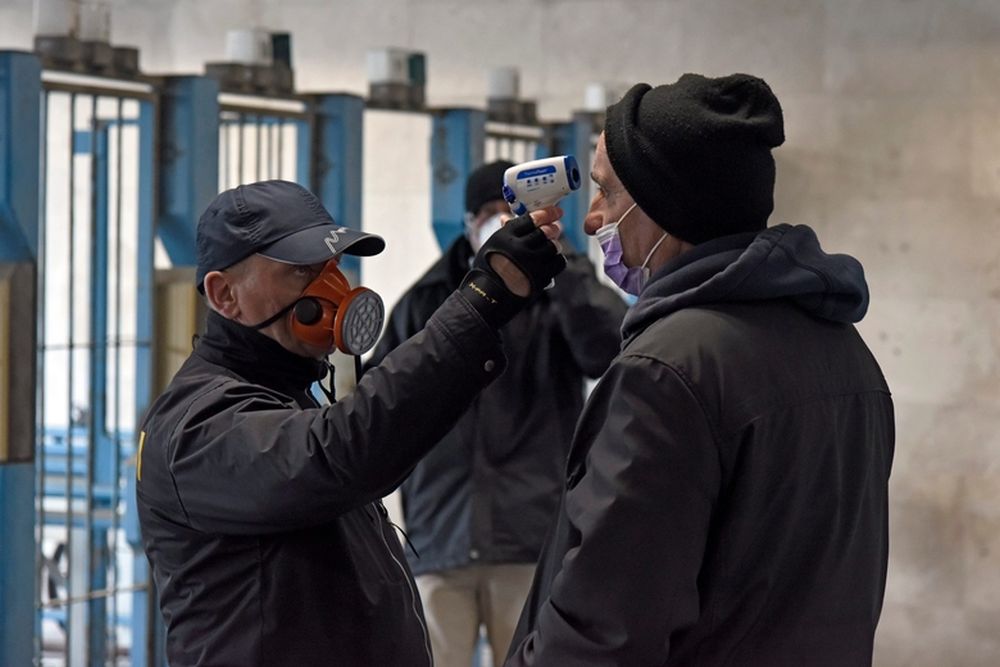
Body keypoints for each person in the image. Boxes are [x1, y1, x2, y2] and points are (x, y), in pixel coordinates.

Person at [505, 73, 895, 666]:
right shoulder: (846, 350)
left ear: (668, 207)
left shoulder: (665, 372)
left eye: (607, 192)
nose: (591, 219)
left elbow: (603, 631)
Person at [134, 178, 566, 667]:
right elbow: (339, 452)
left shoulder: (292, 397)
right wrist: (481, 303)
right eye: (302, 271)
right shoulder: (195, 426)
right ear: (224, 294)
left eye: (333, 266)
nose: (334, 289)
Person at [365, 161, 627, 667]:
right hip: (441, 537)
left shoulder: (556, 299)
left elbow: (607, 348)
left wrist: (560, 262)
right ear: (468, 224)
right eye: (488, 214)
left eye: (511, 214)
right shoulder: (426, 301)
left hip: (527, 536)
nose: (500, 225)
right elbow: (383, 404)